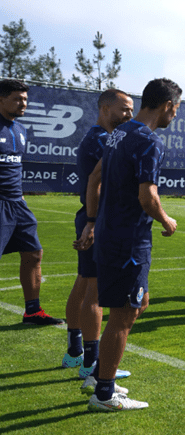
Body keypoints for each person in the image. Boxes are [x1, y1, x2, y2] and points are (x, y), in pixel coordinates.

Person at [78, 78, 181, 411]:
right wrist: (166, 219)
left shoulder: (116, 135)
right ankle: (104, 393)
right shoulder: (148, 140)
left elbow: (95, 179)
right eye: (176, 109)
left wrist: (93, 222)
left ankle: (99, 374)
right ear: (167, 105)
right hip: (128, 239)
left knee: (136, 305)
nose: (175, 116)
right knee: (124, 315)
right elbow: (147, 195)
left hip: (110, 232)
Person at [62, 89, 134, 381]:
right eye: (124, 110)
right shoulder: (101, 140)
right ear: (105, 109)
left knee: (83, 283)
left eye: (131, 110)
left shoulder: (103, 138)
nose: (129, 115)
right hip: (98, 221)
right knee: (95, 292)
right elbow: (99, 185)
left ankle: (74, 352)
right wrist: (94, 223)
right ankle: (91, 361)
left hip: (92, 219)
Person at [0, 79, 65, 326]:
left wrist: (22, 198)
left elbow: (14, 167)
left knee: (34, 253)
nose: (23, 103)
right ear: (1, 99)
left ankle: (32, 311)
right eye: (17, 98)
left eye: (25, 99)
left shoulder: (20, 130)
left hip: (18, 203)